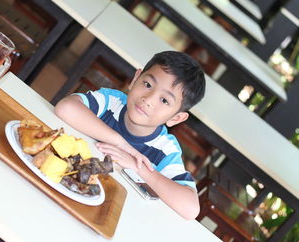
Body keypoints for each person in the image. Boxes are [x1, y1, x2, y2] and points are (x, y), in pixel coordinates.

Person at [54, 51, 206, 220]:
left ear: (176, 118)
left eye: (164, 101)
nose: (148, 99)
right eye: (148, 84)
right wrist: (120, 144)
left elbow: (190, 208)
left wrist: (138, 166)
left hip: (108, 213)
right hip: (63, 181)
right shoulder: (111, 102)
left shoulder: (165, 150)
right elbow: (65, 108)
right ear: (135, 79)